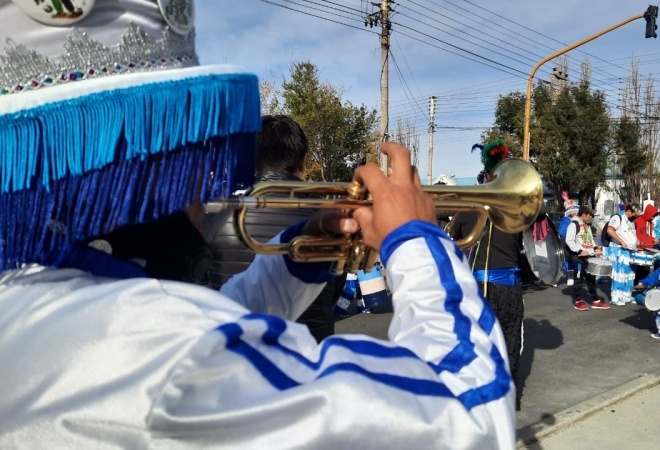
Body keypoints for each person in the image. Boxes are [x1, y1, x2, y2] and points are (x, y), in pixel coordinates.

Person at [0, 4, 515, 447]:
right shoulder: (162, 355)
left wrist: (302, 251)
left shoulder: (34, 298)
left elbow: (214, 322)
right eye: (191, 157)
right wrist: (417, 239)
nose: (205, 186)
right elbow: (465, 417)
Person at [206, 115, 345, 342]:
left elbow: (203, 289)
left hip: (238, 357)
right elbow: (334, 289)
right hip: (311, 356)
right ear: (303, 162)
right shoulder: (328, 217)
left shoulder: (218, 213)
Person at [449, 139, 524, 393]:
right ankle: (507, 396)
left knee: (475, 341)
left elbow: (454, 241)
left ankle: (476, 394)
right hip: (508, 289)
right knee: (509, 340)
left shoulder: (468, 206)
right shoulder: (516, 208)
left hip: (474, 289)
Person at [563, 206, 610, 311]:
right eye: (590, 215)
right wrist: (579, 251)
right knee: (578, 279)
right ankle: (578, 300)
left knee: (591, 279)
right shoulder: (573, 225)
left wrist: (595, 248)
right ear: (583, 214)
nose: (591, 217)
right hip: (579, 257)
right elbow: (569, 240)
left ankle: (595, 300)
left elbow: (590, 241)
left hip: (589, 256)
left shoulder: (587, 226)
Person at [604, 204, 640, 305]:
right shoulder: (617, 217)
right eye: (634, 213)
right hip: (619, 251)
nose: (635, 216)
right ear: (629, 211)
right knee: (619, 274)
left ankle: (626, 296)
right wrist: (621, 241)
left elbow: (630, 234)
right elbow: (610, 230)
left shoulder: (631, 222)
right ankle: (616, 297)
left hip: (630, 251)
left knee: (629, 274)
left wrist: (637, 241)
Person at [633, 203, 660, 284]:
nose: (653, 217)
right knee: (639, 270)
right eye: (652, 215)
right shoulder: (638, 220)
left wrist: (653, 239)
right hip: (639, 249)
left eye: (654, 215)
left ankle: (642, 287)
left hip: (648, 249)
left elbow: (648, 234)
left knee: (646, 270)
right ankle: (637, 286)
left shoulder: (650, 223)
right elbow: (635, 233)